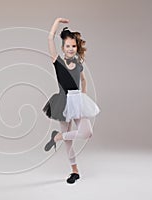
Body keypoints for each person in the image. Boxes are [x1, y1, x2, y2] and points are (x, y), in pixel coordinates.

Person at [42, 17, 100, 184]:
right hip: (63, 102)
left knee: (87, 133)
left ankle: (57, 137)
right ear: (63, 48)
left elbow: (83, 80)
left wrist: (83, 95)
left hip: (77, 101)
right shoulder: (58, 62)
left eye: (73, 46)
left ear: (77, 47)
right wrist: (57, 21)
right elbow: (49, 38)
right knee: (69, 142)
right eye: (67, 46)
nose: (71, 49)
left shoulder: (79, 64)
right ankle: (74, 170)